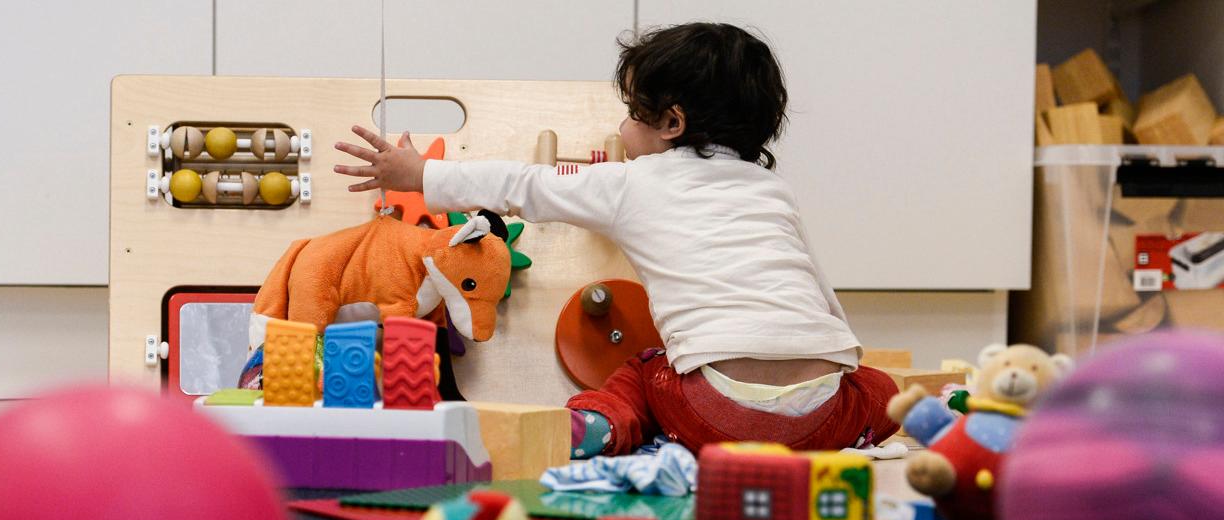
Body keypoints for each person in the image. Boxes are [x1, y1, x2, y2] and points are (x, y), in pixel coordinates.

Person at [334, 22, 899, 457]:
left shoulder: (634, 181)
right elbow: (822, 296)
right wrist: (843, 374)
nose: (625, 128)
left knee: (641, 370)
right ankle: (939, 411)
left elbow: (521, 184)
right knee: (875, 386)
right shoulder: (773, 190)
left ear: (672, 124)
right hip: (824, 417)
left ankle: (598, 425)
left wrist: (421, 175)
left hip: (716, 414)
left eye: (632, 114)